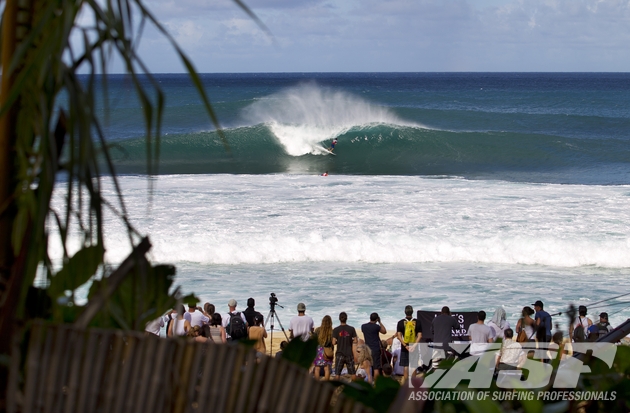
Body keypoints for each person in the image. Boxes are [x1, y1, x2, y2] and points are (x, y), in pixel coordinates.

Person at [396, 305, 422, 384]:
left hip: (405, 347)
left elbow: (399, 336)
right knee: (413, 366)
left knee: (406, 366)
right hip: (414, 347)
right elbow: (420, 336)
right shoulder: (418, 322)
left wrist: (405, 345)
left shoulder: (400, 322)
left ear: (405, 312)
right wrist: (414, 345)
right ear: (412, 312)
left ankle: (406, 384)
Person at [332, 312, 358, 380]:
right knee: (353, 372)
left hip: (340, 353)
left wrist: (339, 341)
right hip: (349, 353)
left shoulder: (336, 329)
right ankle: (354, 387)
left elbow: (333, 342)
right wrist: (349, 340)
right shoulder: (351, 329)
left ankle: (336, 389)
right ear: (347, 318)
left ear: (339, 319)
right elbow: (355, 341)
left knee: (337, 373)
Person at [361, 312, 387, 379]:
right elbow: (384, 331)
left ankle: (369, 380)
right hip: (375, 349)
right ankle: (375, 384)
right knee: (376, 368)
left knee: (368, 366)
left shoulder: (363, 326)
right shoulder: (376, 327)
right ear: (376, 319)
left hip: (367, 349)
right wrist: (380, 322)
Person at [313, 315, 334, 381]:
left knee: (317, 368)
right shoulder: (331, 331)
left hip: (318, 350)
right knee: (327, 368)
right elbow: (332, 343)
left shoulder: (317, 330)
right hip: (327, 350)